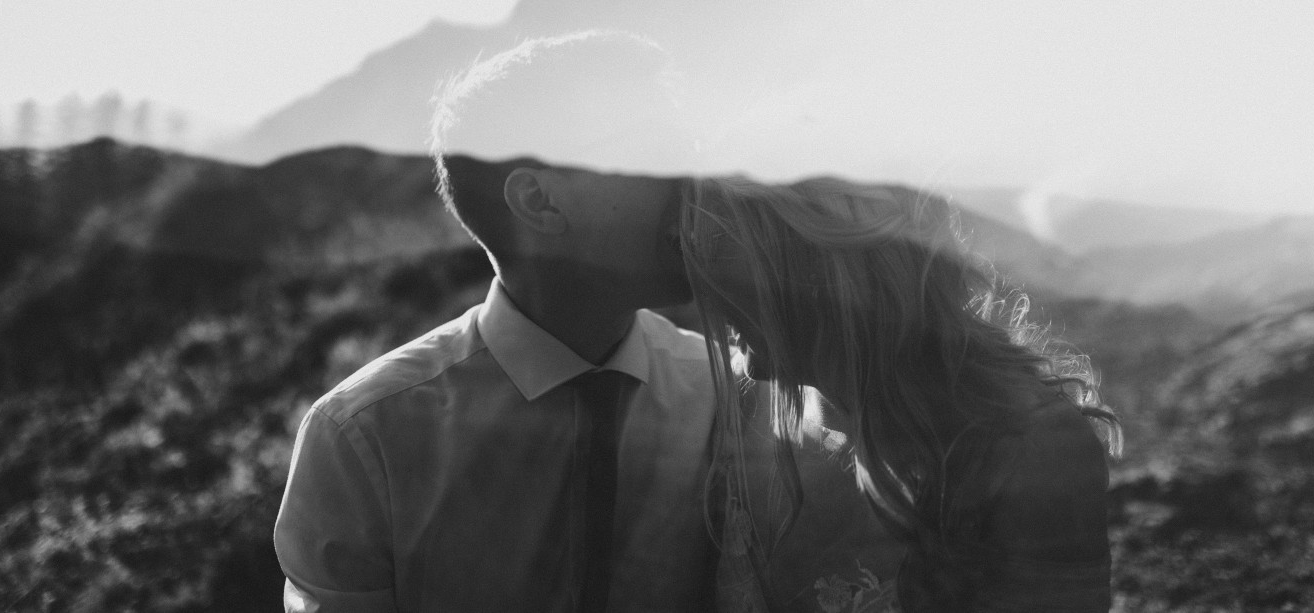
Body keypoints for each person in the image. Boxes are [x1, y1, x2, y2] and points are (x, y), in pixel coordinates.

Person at [274, 31, 900, 613]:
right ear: (540, 201)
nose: (693, 184)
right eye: (651, 153)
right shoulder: (364, 440)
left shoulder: (744, 398)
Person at [678, 175, 1121, 613]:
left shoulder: (1027, 451)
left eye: (721, 234)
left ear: (816, 261)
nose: (692, 261)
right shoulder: (733, 411)